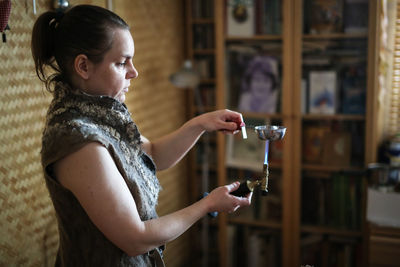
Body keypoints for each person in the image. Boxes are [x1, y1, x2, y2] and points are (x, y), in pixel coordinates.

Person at [31, 4, 252, 267]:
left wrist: (201, 124)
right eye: (122, 62)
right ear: (83, 66)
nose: (134, 72)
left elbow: (153, 155)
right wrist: (207, 205)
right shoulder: (78, 141)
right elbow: (135, 238)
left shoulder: (100, 114)